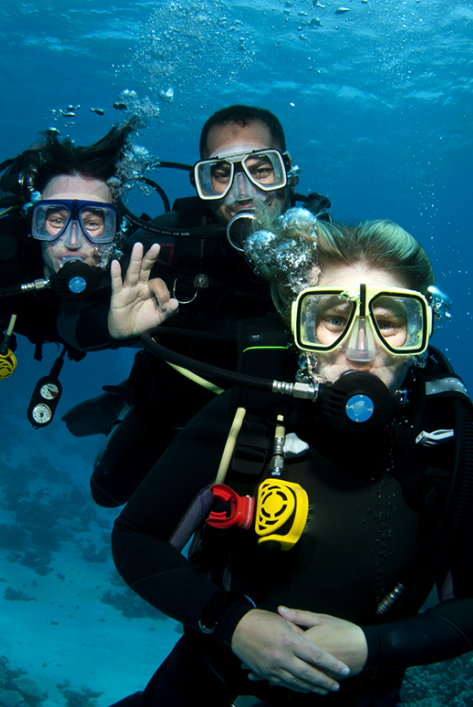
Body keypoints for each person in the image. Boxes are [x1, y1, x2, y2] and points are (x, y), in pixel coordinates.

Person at [103, 215, 473, 707]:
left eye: (388, 321)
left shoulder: (442, 447)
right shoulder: (246, 417)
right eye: (335, 318)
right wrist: (232, 623)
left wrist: (371, 646)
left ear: (420, 334)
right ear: (301, 325)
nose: (361, 349)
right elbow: (137, 538)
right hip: (203, 690)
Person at [88, 104, 329, 507]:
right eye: (221, 174)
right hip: (171, 417)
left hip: (281, 433)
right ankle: (120, 400)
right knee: (106, 493)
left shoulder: (328, 253)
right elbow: (75, 317)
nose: (241, 192)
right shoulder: (166, 243)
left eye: (261, 169)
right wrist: (113, 328)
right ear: (203, 181)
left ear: (288, 172)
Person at [0, 121, 149, 398]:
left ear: (117, 230)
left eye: (93, 223)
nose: (73, 241)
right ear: (35, 222)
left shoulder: (135, 269)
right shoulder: (3, 258)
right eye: (56, 220)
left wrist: (132, 336)